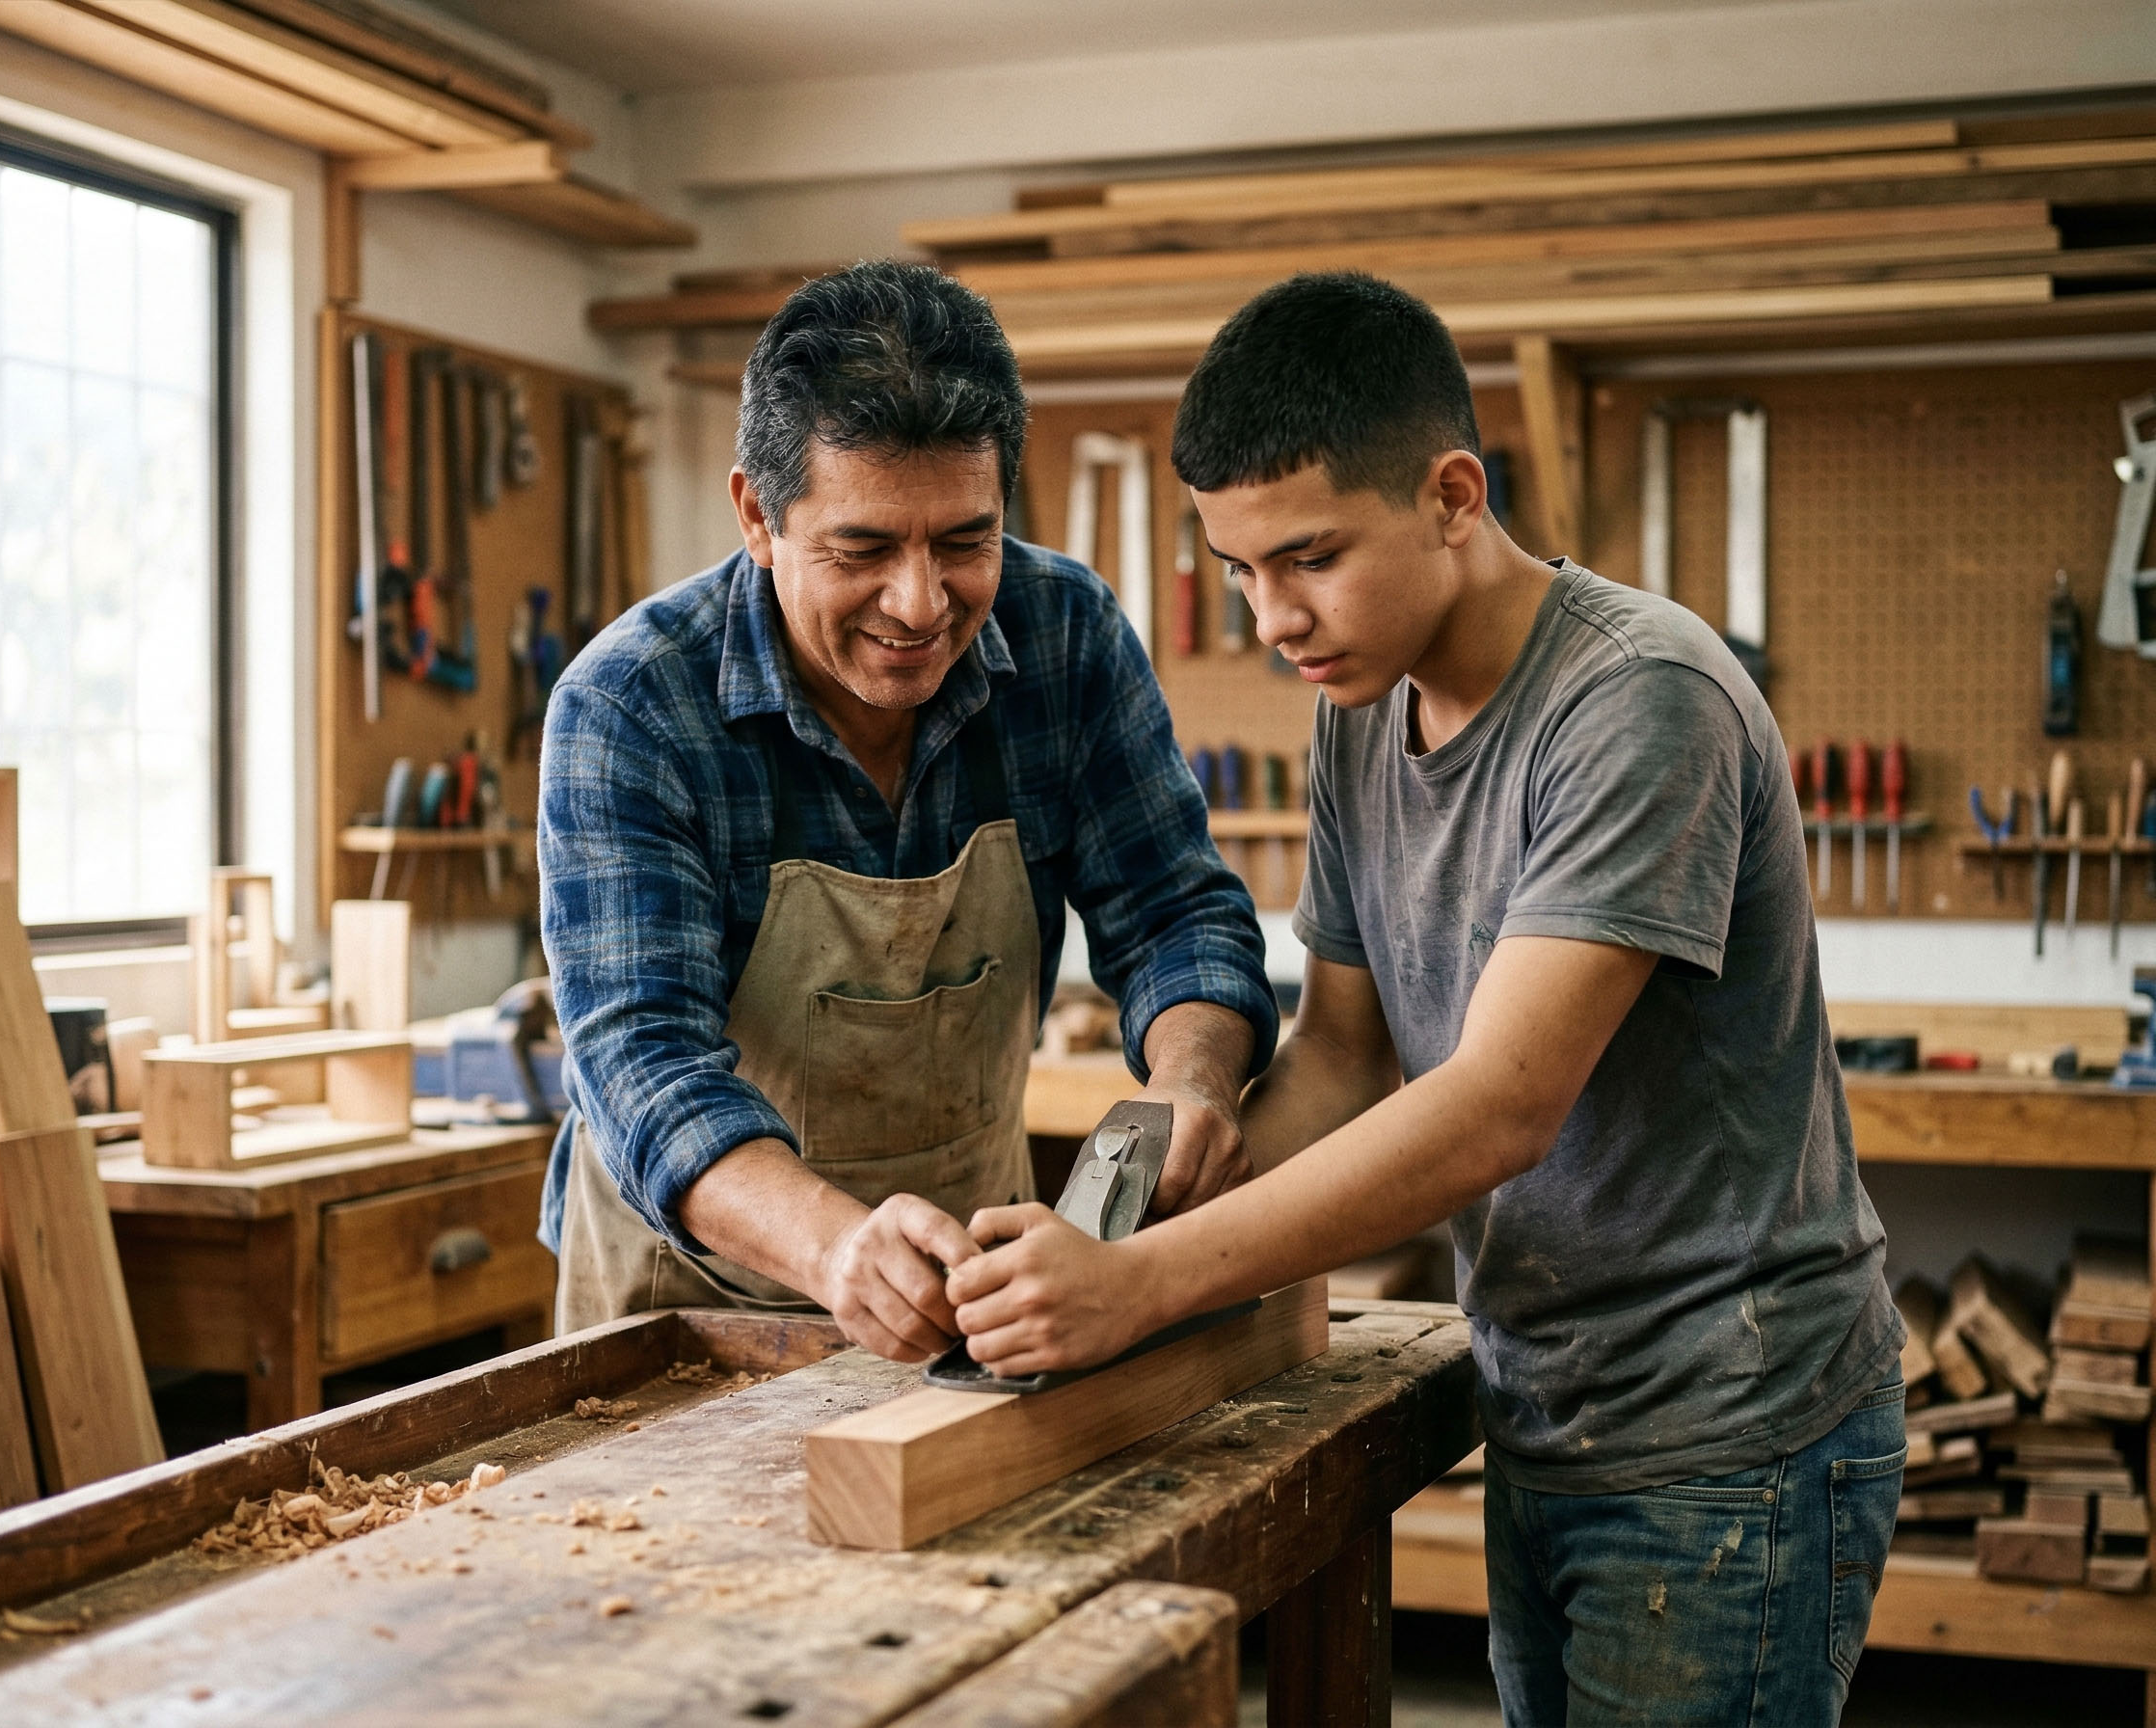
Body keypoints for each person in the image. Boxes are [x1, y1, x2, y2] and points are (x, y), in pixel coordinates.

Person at [946, 272, 1907, 1725]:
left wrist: (1141, 1289)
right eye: (1240, 571)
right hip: (1546, 1397)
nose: (1275, 616)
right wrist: (1127, 1229)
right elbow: (1341, 1056)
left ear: (1455, 495)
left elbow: (1496, 1110)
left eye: (1311, 557)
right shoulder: (1361, 709)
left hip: (1729, 1434)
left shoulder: (1644, 699)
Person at [536, 260, 1277, 1364]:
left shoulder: (1065, 634)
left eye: (964, 541)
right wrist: (836, 1248)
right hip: (692, 1296)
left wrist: (1190, 1078)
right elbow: (643, 1062)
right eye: (864, 548)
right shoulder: (631, 705)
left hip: (978, 1279)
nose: (922, 605)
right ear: (757, 514)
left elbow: (1175, 913)